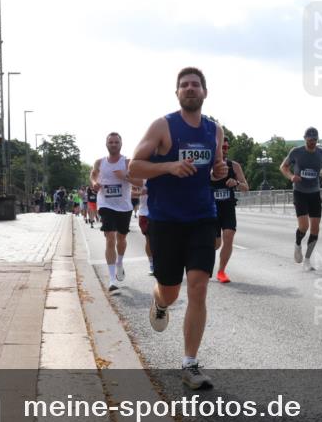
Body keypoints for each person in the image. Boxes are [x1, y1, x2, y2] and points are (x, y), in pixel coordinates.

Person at [129, 67, 228, 390]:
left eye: (195, 85)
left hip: (201, 217)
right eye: (184, 85)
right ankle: (159, 302)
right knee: (171, 291)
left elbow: (212, 171)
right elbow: (134, 167)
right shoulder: (163, 126)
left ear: (204, 92)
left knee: (198, 287)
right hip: (166, 220)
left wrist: (219, 169)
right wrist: (169, 165)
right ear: (177, 93)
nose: (190, 89)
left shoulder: (215, 131)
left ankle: (190, 363)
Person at [280, 127, 322, 271]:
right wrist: (291, 176)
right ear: (305, 138)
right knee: (304, 226)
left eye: (315, 140)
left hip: (314, 193)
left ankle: (307, 260)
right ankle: (297, 244)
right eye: (310, 140)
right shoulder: (296, 152)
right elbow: (283, 167)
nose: (312, 142)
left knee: (316, 228)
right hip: (300, 192)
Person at [91, 132, 133, 292]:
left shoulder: (128, 162)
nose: (113, 144)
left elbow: (139, 181)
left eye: (116, 142)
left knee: (121, 238)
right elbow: (93, 175)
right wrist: (95, 183)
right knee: (110, 237)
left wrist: (125, 176)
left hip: (124, 206)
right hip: (105, 204)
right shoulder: (100, 162)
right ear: (106, 144)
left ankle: (119, 262)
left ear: (121, 144)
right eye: (111, 142)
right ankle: (111, 279)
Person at [212, 136, 249, 283]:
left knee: (229, 236)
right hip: (210, 210)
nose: (225, 150)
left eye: (226, 147)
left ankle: (221, 271)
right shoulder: (208, 166)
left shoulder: (234, 166)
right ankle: (200, 262)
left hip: (228, 208)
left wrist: (237, 182)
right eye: (222, 147)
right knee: (216, 244)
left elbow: (246, 187)